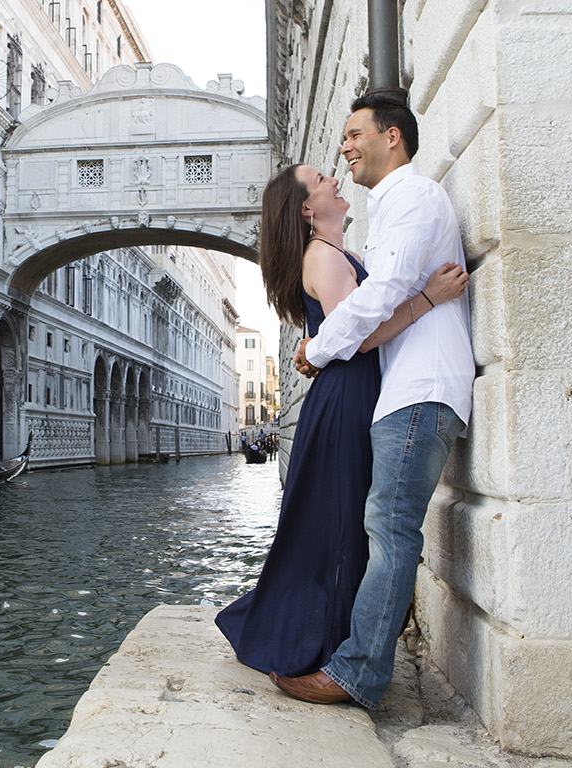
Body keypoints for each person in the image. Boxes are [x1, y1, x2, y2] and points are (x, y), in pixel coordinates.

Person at [215, 156, 467, 680]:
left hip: (351, 391)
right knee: (340, 521)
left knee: (341, 519)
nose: (334, 177)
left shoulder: (338, 251)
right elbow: (359, 338)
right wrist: (429, 297)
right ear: (309, 208)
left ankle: (329, 636)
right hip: (349, 393)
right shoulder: (323, 257)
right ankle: (323, 643)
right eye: (320, 179)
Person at [271, 88, 476, 709]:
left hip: (419, 392)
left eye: (356, 134)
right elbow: (387, 295)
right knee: (385, 528)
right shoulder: (392, 208)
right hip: (408, 391)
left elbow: (383, 289)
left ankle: (355, 672)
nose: (345, 147)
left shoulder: (411, 194)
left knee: (387, 530)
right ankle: (352, 659)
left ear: (393, 137)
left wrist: (315, 349)